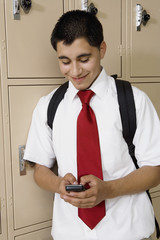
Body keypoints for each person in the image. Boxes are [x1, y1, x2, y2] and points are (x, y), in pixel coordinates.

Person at [24, 10, 160, 240]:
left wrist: (108, 190)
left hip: (128, 231)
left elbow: (155, 171)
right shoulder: (49, 106)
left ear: (102, 49)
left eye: (84, 59)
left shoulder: (134, 101)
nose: (75, 71)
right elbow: (40, 171)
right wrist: (59, 185)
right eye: (65, 61)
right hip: (70, 233)